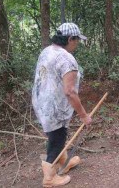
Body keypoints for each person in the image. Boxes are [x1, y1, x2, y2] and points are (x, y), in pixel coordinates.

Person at [32, 23, 92, 187]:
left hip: (41, 102)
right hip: (54, 107)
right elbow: (70, 92)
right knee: (57, 139)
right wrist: (84, 115)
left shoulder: (47, 50)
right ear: (70, 39)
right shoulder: (66, 59)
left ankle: (63, 162)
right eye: (76, 40)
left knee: (55, 135)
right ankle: (50, 178)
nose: (77, 43)